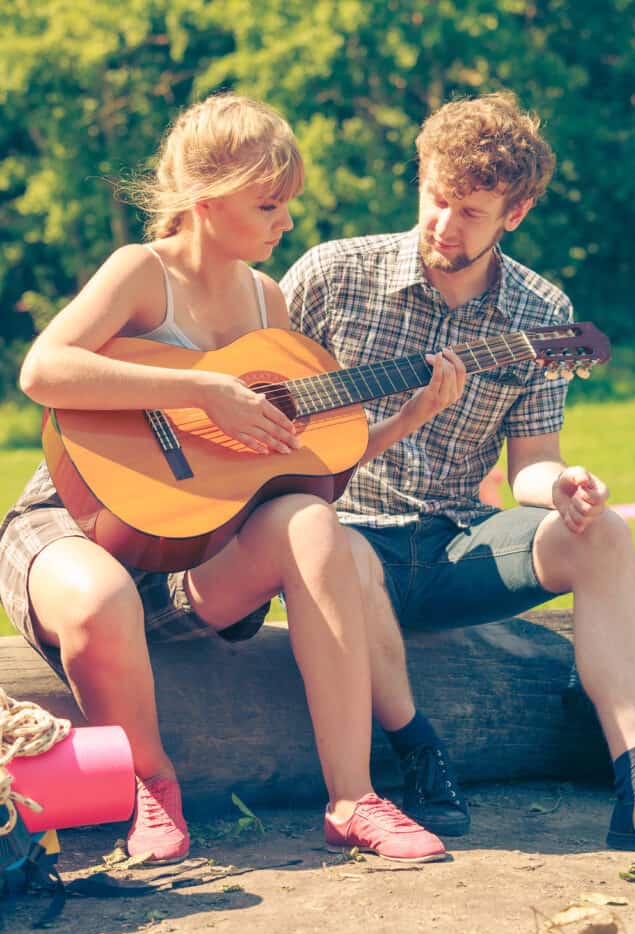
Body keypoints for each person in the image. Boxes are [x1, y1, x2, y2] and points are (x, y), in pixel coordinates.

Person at [0, 93, 446, 866]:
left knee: (312, 524)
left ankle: (353, 799)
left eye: (288, 204)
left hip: (192, 551)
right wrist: (201, 390)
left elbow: (286, 461)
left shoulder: (264, 301)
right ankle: (149, 783)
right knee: (101, 597)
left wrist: (406, 419)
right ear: (205, 204)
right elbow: (44, 369)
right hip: (76, 519)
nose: (286, 222)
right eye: (268, 203)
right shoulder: (141, 273)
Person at [281, 91, 635, 863]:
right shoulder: (330, 277)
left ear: (515, 212)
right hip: (338, 539)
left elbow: (529, 463)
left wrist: (561, 489)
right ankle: (417, 752)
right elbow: (262, 407)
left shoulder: (539, 310)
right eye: (435, 198)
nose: (443, 224)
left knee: (602, 534)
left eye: (470, 211)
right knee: (332, 537)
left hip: (453, 544)